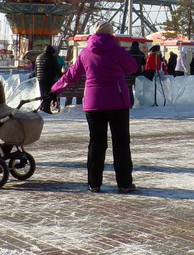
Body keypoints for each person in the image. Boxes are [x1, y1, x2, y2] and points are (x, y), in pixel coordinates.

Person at [52, 22, 139, 193]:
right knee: (121, 143)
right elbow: (133, 67)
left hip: (93, 104)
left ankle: (94, 183)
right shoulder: (117, 50)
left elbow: (71, 76)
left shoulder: (85, 52)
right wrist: (119, 48)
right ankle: (124, 183)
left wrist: (54, 90)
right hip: (117, 102)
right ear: (111, 34)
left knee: (96, 143)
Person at [35, 45, 63, 113]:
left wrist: (37, 76)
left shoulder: (38, 57)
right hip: (49, 78)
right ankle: (46, 109)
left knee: (42, 93)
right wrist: (62, 77)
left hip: (40, 79)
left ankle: (42, 107)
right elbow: (57, 68)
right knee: (49, 94)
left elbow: (36, 69)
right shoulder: (52, 58)